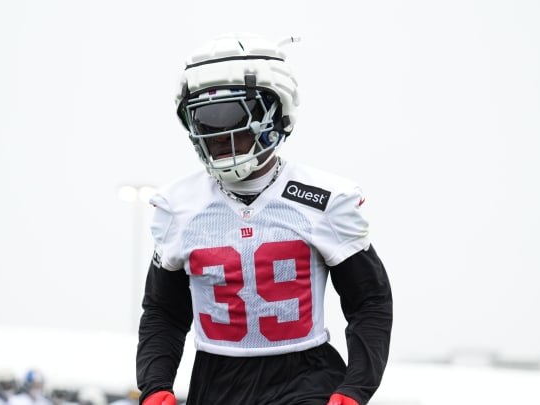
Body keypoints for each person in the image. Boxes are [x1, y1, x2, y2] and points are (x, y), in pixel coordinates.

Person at [136, 32, 393, 405]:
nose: (219, 133)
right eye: (205, 120)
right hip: (216, 382)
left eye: (230, 116)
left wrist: (357, 385)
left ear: (273, 112)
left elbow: (369, 299)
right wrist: (155, 382)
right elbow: (164, 312)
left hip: (305, 378)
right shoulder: (179, 205)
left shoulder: (323, 198)